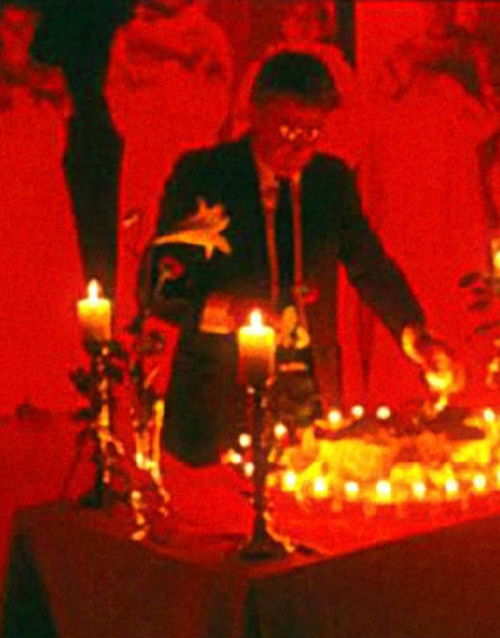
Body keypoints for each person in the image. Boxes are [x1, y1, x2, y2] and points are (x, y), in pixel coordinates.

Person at [140, 52, 459, 466]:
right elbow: (160, 287)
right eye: (288, 128)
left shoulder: (330, 181)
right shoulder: (206, 175)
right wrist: (229, 310)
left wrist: (416, 335)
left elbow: (371, 267)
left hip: (309, 403)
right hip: (218, 402)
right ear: (255, 113)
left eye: (313, 131)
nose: (300, 145)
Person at [361, 0, 499, 409]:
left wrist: (449, 93)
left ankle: (467, 393)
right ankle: (407, 388)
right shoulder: (404, 52)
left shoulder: (471, 52)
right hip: (414, 185)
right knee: (412, 269)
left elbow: (488, 114)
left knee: (458, 275)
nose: (437, 11)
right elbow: (379, 106)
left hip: (456, 183)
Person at [105, 0, 233, 336]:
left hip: (190, 156)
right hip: (145, 156)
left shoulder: (208, 36)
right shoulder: (130, 37)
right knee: (140, 235)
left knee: (188, 236)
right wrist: (156, 97)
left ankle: (189, 325)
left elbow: (217, 105)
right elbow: (117, 102)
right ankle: (137, 326)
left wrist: (177, 84)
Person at [0, 0, 84, 414]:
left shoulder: (48, 78)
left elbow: (57, 140)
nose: (16, 36)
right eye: (7, 26)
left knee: (42, 283)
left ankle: (43, 377)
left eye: (24, 27)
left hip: (40, 193)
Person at [231, 0, 359, 168]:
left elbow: (352, 116)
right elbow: (243, 117)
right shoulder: (263, 64)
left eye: (312, 18)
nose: (304, 26)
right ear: (283, 21)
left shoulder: (336, 66)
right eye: (297, 17)